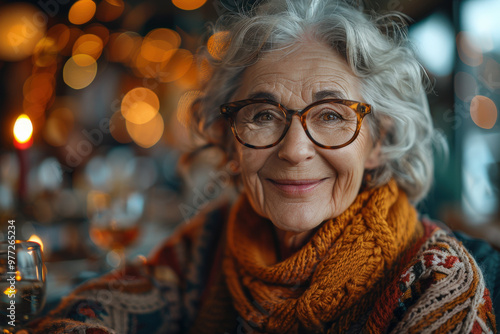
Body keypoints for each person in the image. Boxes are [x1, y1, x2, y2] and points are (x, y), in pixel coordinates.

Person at [35, 0, 498, 333]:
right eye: (262, 115)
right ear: (231, 144)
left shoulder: (435, 285)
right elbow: (90, 309)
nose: (295, 150)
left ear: (379, 142)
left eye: (332, 115)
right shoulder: (213, 241)